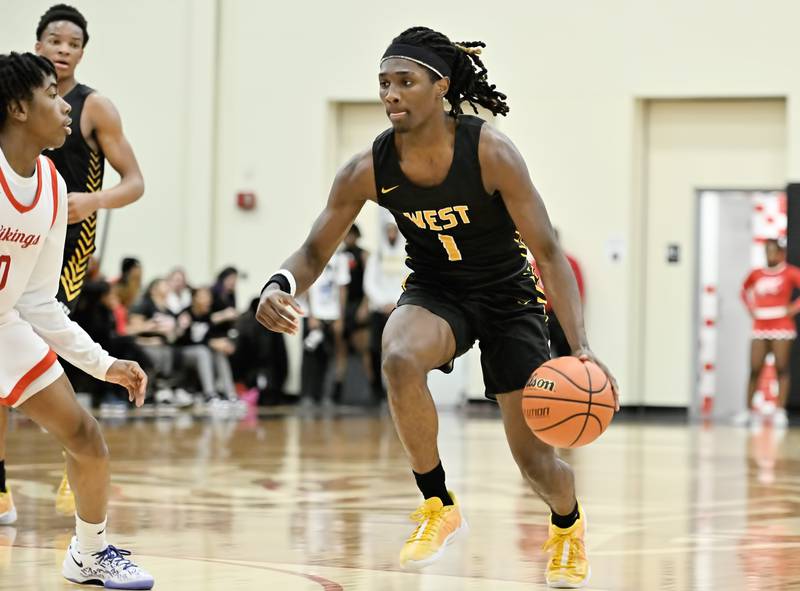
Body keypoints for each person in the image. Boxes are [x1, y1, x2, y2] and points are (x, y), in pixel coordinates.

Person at [256, 26, 618, 587]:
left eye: (405, 81)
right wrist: (276, 285)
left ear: (440, 87)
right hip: (437, 289)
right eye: (384, 83)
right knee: (398, 355)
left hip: (507, 297)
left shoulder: (490, 152)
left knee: (534, 464)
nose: (391, 93)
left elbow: (547, 252)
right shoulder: (368, 168)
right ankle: (437, 504)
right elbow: (312, 251)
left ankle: (567, 528)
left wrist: (582, 348)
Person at [0, 51, 152, 588]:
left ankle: (89, 553)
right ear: (18, 108)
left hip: (5, 327)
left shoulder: (51, 187)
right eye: (51, 95)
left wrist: (104, 364)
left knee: (86, 435)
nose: (67, 106)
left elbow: (40, 301)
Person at [738, 238, 800, 428]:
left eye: (773, 251)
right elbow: (743, 290)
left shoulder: (789, 272)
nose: (769, 255)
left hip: (781, 324)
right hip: (760, 325)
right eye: (767, 251)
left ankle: (779, 410)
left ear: (781, 253)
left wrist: (794, 308)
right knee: (755, 367)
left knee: (781, 367)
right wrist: (750, 308)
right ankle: (748, 410)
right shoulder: (756, 274)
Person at [363, 217, 406, 403]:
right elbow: (369, 283)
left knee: (399, 351)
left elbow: (408, 279)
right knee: (374, 349)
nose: (391, 234)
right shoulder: (376, 255)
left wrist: (394, 303)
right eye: (388, 231)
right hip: (378, 310)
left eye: (393, 231)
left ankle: (398, 390)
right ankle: (376, 391)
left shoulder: (406, 253)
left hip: (399, 310)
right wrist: (383, 303)